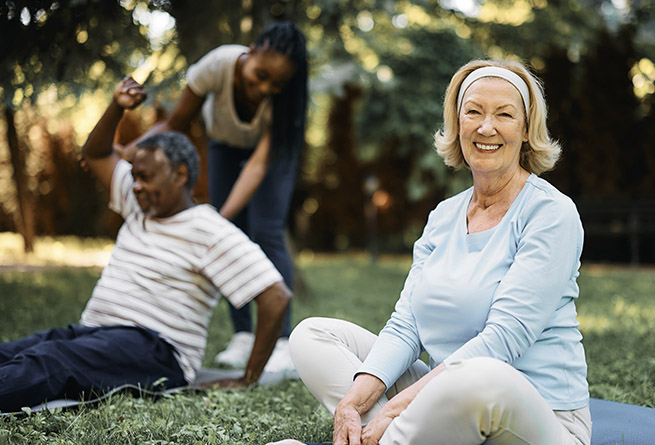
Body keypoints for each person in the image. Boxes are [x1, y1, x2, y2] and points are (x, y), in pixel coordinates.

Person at [271, 59, 592, 445]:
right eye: (473, 111)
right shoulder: (443, 216)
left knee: (480, 374)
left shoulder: (551, 213)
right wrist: (354, 402)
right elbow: (406, 325)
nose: (486, 127)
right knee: (311, 335)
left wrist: (394, 409)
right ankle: (371, 436)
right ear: (457, 125)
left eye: (504, 114)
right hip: (443, 401)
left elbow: (504, 340)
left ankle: (389, 434)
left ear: (525, 130)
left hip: (532, 415)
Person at [0, 77, 291, 413]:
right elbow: (95, 153)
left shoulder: (211, 231)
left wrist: (247, 377)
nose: (135, 185)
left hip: (156, 351)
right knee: (17, 350)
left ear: (180, 175)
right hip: (95, 333)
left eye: (146, 177)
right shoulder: (138, 202)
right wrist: (116, 107)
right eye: (134, 175)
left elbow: (276, 297)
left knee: (50, 361)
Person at [120, 21, 308, 372]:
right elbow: (175, 123)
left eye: (276, 84)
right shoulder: (216, 66)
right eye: (260, 75)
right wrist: (129, 150)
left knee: (265, 230)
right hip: (225, 144)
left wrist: (218, 221)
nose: (264, 88)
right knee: (230, 232)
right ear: (250, 52)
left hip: (272, 154)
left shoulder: (286, 103)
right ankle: (242, 335)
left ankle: (283, 342)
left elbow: (256, 167)